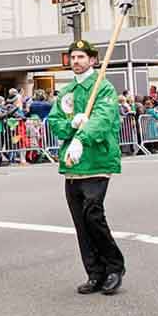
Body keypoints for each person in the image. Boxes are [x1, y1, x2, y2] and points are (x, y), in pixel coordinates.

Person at [49, 40, 125, 296]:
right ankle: (95, 273)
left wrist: (82, 137)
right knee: (80, 221)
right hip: (72, 165)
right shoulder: (67, 91)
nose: (76, 61)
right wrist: (72, 126)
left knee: (93, 213)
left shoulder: (103, 88)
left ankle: (114, 267)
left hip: (97, 160)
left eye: (82, 57)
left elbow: (104, 120)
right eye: (73, 57)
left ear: (92, 60)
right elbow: (55, 122)